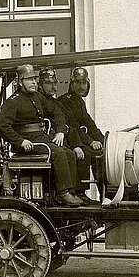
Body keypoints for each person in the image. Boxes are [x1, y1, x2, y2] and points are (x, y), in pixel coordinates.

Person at [0, 64, 86, 207]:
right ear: (20, 82)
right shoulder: (14, 101)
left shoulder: (38, 97)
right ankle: (63, 194)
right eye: (29, 79)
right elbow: (2, 126)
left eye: (34, 79)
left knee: (68, 153)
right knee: (57, 152)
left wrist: (60, 131)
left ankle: (69, 191)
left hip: (41, 138)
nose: (33, 82)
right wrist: (20, 141)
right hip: (27, 142)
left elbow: (57, 112)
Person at [53, 67, 106, 202]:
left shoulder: (79, 101)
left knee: (102, 152)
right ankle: (80, 192)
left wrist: (104, 140)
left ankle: (105, 195)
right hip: (69, 139)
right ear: (72, 84)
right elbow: (73, 127)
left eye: (84, 83)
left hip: (78, 138)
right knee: (88, 154)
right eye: (78, 83)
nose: (82, 86)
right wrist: (90, 142)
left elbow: (89, 124)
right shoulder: (65, 100)